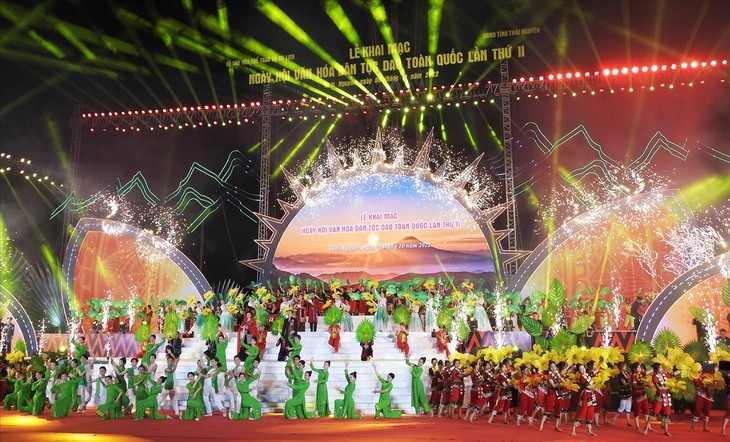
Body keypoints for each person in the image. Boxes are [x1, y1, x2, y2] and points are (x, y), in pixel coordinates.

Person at [644, 363, 671, 436]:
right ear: (657, 369)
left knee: (666, 413)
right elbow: (659, 388)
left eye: (662, 367)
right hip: (659, 397)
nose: (662, 369)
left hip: (666, 397)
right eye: (660, 368)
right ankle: (646, 429)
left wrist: (681, 370)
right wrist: (668, 388)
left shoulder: (665, 375)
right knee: (654, 412)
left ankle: (666, 431)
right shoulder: (655, 377)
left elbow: (673, 374)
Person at [611, 361, 633, 426]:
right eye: (625, 366)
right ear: (621, 367)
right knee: (622, 406)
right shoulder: (620, 375)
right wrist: (631, 381)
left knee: (628, 406)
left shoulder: (626, 373)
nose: (626, 367)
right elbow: (624, 383)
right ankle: (614, 418)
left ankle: (628, 421)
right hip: (624, 391)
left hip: (628, 390)